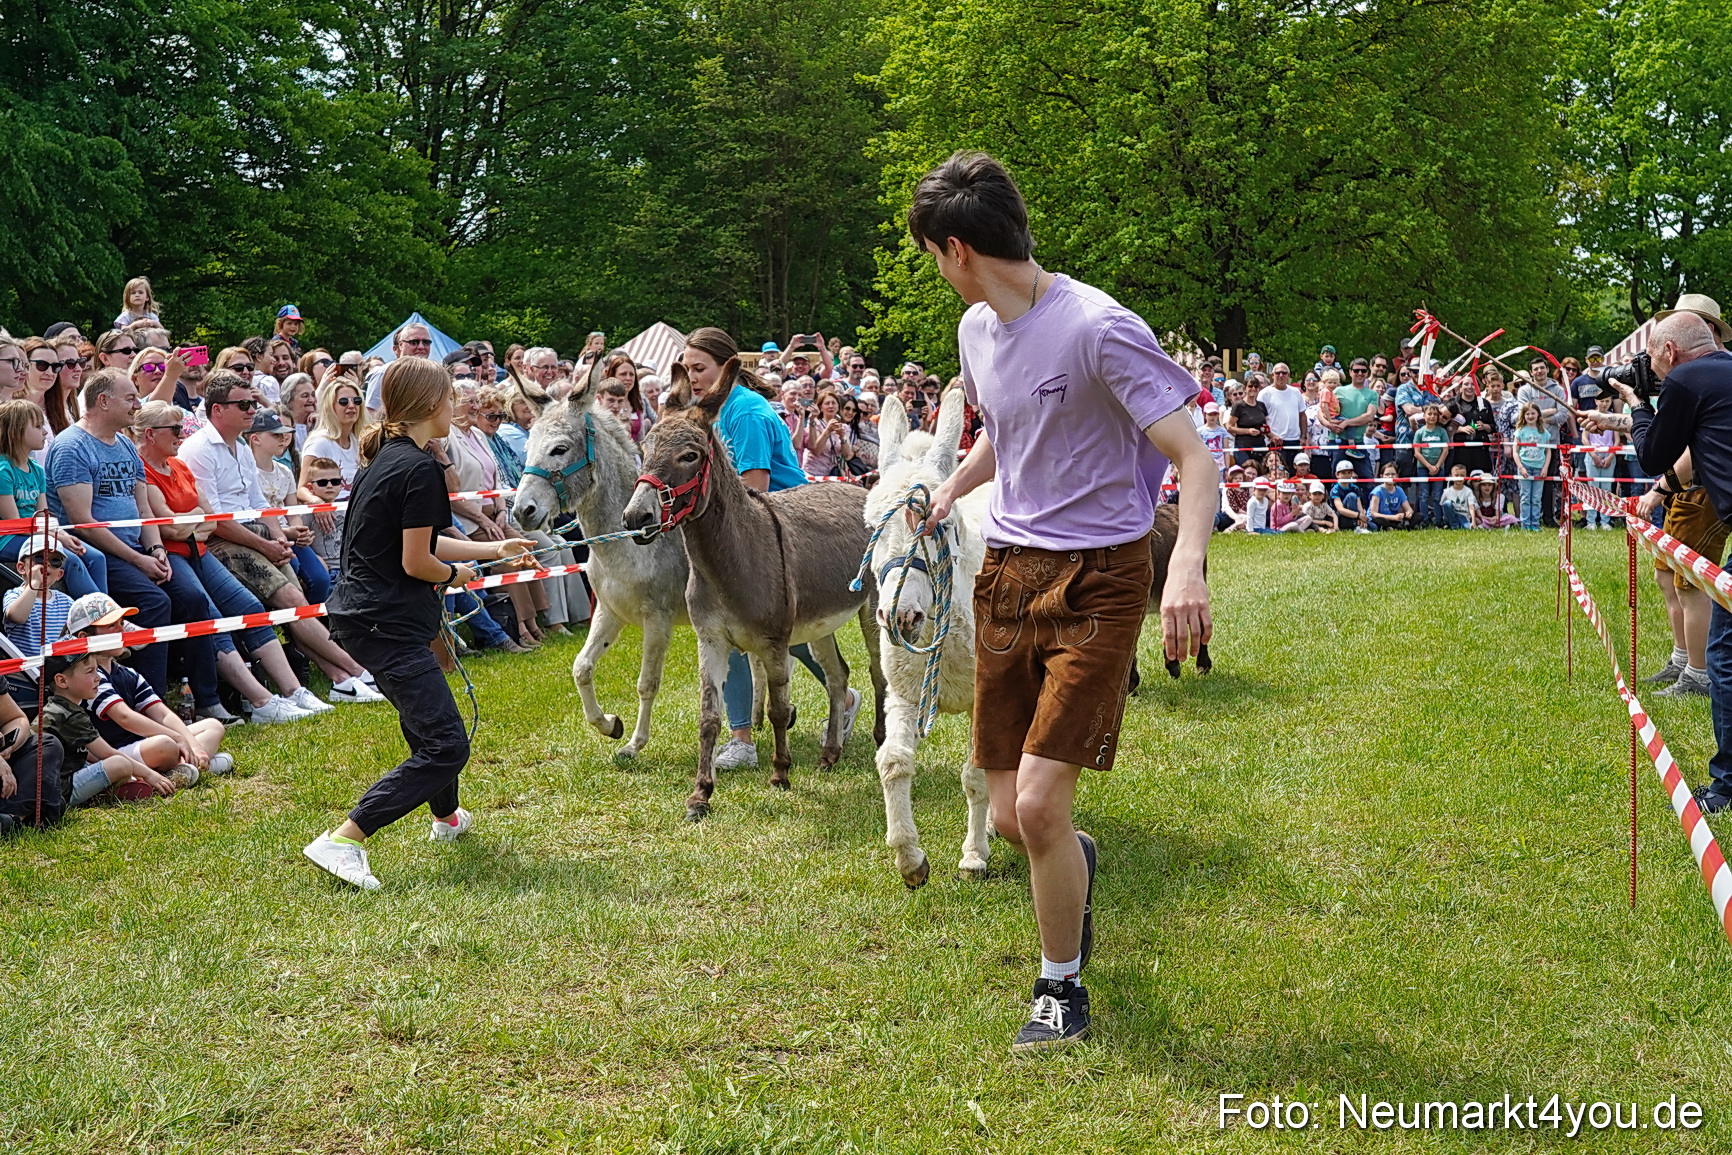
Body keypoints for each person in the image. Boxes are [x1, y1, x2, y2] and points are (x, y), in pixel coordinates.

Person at [908, 152, 1212, 1053]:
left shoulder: (1098, 327)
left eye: (931, 253)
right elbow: (1009, 433)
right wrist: (950, 487)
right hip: (1007, 572)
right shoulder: (974, 332)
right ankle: (1071, 866)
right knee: (1011, 817)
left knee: (1038, 806)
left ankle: (1060, 988)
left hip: (1101, 579)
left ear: (954, 247)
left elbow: (1193, 456)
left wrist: (1185, 567)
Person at [303, 356, 538, 891]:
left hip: (370, 617)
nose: (456, 406)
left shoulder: (390, 457)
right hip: (384, 622)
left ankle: (447, 819)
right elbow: (419, 563)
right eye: (451, 397)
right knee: (446, 745)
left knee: (429, 725)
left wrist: (492, 547)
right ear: (433, 406)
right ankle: (344, 839)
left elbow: (422, 540)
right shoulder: (420, 467)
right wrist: (457, 573)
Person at [674, 328, 860, 771]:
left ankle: (748, 735)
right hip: (746, 533)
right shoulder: (710, 414)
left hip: (787, 530)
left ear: (726, 368)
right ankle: (748, 730)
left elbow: (755, 488)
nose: (693, 377)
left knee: (771, 632)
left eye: (700, 368)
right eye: (686, 369)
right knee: (748, 633)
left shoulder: (747, 413)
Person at [1595, 308, 1732, 804]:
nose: (1650, 368)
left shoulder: (1687, 379)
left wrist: (1636, 401)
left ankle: (1727, 785)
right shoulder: (1725, 371)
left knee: (1724, 650)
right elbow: (1695, 453)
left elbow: (1653, 453)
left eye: (1652, 359)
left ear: (1669, 352)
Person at [178, 376, 381, 702]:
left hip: (257, 535)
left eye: (253, 404)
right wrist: (266, 544)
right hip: (223, 542)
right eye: (243, 405)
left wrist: (279, 538)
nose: (251, 411)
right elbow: (214, 521)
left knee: (295, 607)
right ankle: (359, 672)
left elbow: (259, 503)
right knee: (292, 603)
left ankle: (341, 679)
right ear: (217, 409)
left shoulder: (241, 446)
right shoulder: (199, 450)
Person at [134, 399, 322, 723]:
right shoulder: (144, 470)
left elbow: (210, 520)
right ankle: (260, 701)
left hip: (200, 550)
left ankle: (292, 690)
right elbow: (169, 527)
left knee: (250, 607)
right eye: (174, 429)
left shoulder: (178, 466)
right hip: (173, 555)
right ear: (150, 434)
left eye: (182, 428)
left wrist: (189, 520)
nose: (181, 435)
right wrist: (193, 519)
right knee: (209, 613)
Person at [47, 368, 211, 697]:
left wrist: (156, 551)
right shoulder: (71, 447)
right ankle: (147, 699)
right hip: (99, 552)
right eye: (130, 398)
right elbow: (83, 522)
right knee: (155, 602)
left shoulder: (124, 445)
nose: (138, 404)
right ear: (103, 401)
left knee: (194, 600)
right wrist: (139, 560)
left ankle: (207, 697)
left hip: (140, 548)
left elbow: (144, 510)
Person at [67, 593, 232, 778]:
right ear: (83, 637)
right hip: (111, 753)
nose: (120, 630)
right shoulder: (89, 676)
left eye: (121, 623)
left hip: (140, 745)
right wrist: (178, 738)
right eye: (111, 626)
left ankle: (184, 768)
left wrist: (191, 743)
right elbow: (124, 717)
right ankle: (186, 768)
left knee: (213, 726)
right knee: (166, 744)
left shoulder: (128, 673)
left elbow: (162, 713)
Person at [40, 651, 180, 807]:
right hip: (59, 792)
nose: (98, 677)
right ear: (62, 680)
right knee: (120, 764)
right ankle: (100, 794)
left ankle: (113, 788)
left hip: (54, 785)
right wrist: (150, 775)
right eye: (90, 672)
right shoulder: (68, 714)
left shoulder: (61, 707)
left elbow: (91, 755)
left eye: (97, 670)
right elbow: (107, 753)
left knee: (119, 766)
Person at [0, 400, 106, 596]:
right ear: (16, 431)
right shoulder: (3, 472)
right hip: (8, 539)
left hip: (37, 534)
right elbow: (16, 524)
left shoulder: (37, 470)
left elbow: (43, 515)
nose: (45, 432)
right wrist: (54, 539)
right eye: (38, 426)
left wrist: (62, 535)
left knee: (96, 558)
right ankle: (99, 615)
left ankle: (107, 618)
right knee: (69, 560)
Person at [300, 375, 370, 497]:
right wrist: (316, 503)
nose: (351, 406)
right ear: (330, 407)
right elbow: (302, 489)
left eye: (357, 401)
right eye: (344, 402)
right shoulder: (319, 442)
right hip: (329, 514)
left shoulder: (359, 441)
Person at [1579, 382, 1623, 529]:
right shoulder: (1591, 415)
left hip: (1609, 454)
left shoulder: (1613, 417)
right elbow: (1585, 438)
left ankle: (1605, 520)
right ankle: (1591, 521)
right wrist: (1593, 455)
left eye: (1607, 401)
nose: (1604, 404)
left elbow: (1617, 439)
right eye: (1601, 401)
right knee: (1592, 488)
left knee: (1606, 489)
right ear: (1596, 401)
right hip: (1593, 454)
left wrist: (1611, 455)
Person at [364, 322, 434, 411]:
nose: (421, 346)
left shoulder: (433, 375)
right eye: (414, 342)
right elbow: (372, 412)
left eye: (426, 342)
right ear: (400, 345)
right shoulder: (385, 373)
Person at [1512, 402, 1552, 531]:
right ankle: (1525, 524)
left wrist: (1545, 467)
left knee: (1536, 498)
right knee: (1525, 497)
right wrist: (1521, 467)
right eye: (1527, 413)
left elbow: (1548, 451)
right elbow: (1515, 451)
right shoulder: (1520, 432)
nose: (1530, 416)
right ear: (1523, 416)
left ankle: (1535, 524)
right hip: (1525, 466)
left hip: (1539, 467)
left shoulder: (1544, 432)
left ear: (1538, 415)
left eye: (1533, 413)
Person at [1256, 365, 1303, 469]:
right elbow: (1260, 419)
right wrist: (1271, 436)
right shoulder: (1264, 394)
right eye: (1277, 373)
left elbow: (1302, 415)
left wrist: (1303, 436)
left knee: (1292, 472)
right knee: (1276, 472)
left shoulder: (1296, 392)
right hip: (1275, 441)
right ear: (1272, 375)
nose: (1281, 375)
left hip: (1294, 439)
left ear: (1288, 375)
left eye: (1284, 373)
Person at [1411, 403, 1451, 527]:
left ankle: (1439, 520)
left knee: (1438, 495)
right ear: (1424, 416)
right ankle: (1424, 520)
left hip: (1439, 467)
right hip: (1423, 468)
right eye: (1429, 414)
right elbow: (1417, 453)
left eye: (1435, 414)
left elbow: (1445, 450)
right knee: (1423, 494)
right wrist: (1429, 466)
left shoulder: (1442, 432)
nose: (1432, 416)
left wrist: (1437, 466)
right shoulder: (1419, 432)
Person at [1369, 463, 1414, 530]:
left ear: (1397, 476)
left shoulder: (1399, 490)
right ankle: (1393, 527)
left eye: (1393, 474)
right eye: (1387, 474)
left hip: (1395, 518)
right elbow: (1374, 514)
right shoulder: (1377, 491)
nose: (1390, 477)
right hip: (1381, 518)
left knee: (1418, 516)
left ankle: (1395, 526)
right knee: (1380, 521)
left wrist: (1409, 513)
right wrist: (1393, 517)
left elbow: (1409, 509)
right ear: (1381, 476)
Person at [1331, 458, 1370, 532]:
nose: (1346, 475)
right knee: (1351, 496)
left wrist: (1362, 518)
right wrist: (1359, 515)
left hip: (1355, 516)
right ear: (1337, 474)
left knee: (1373, 527)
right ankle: (1357, 526)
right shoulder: (1335, 489)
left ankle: (1359, 525)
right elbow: (1341, 510)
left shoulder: (1355, 488)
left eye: (1349, 472)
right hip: (1341, 517)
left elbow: (1359, 506)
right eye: (1343, 473)